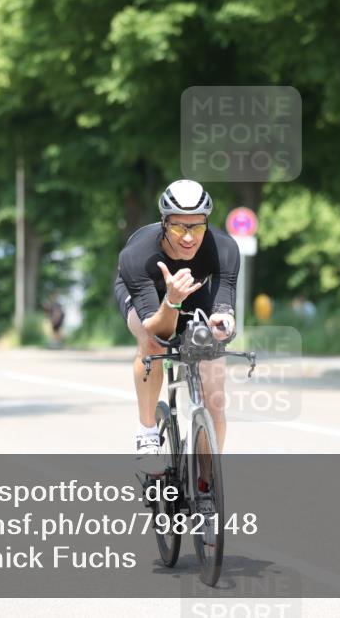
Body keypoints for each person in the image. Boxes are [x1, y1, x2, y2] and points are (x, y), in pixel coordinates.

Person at [114, 180, 239, 476]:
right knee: (152, 343)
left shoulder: (223, 248)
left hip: (193, 293)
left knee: (215, 400)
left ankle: (207, 486)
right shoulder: (137, 256)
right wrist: (171, 300)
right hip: (148, 296)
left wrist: (223, 326)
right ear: (164, 223)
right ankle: (146, 433)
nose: (188, 237)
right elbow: (159, 331)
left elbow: (224, 306)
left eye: (196, 227)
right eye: (178, 227)